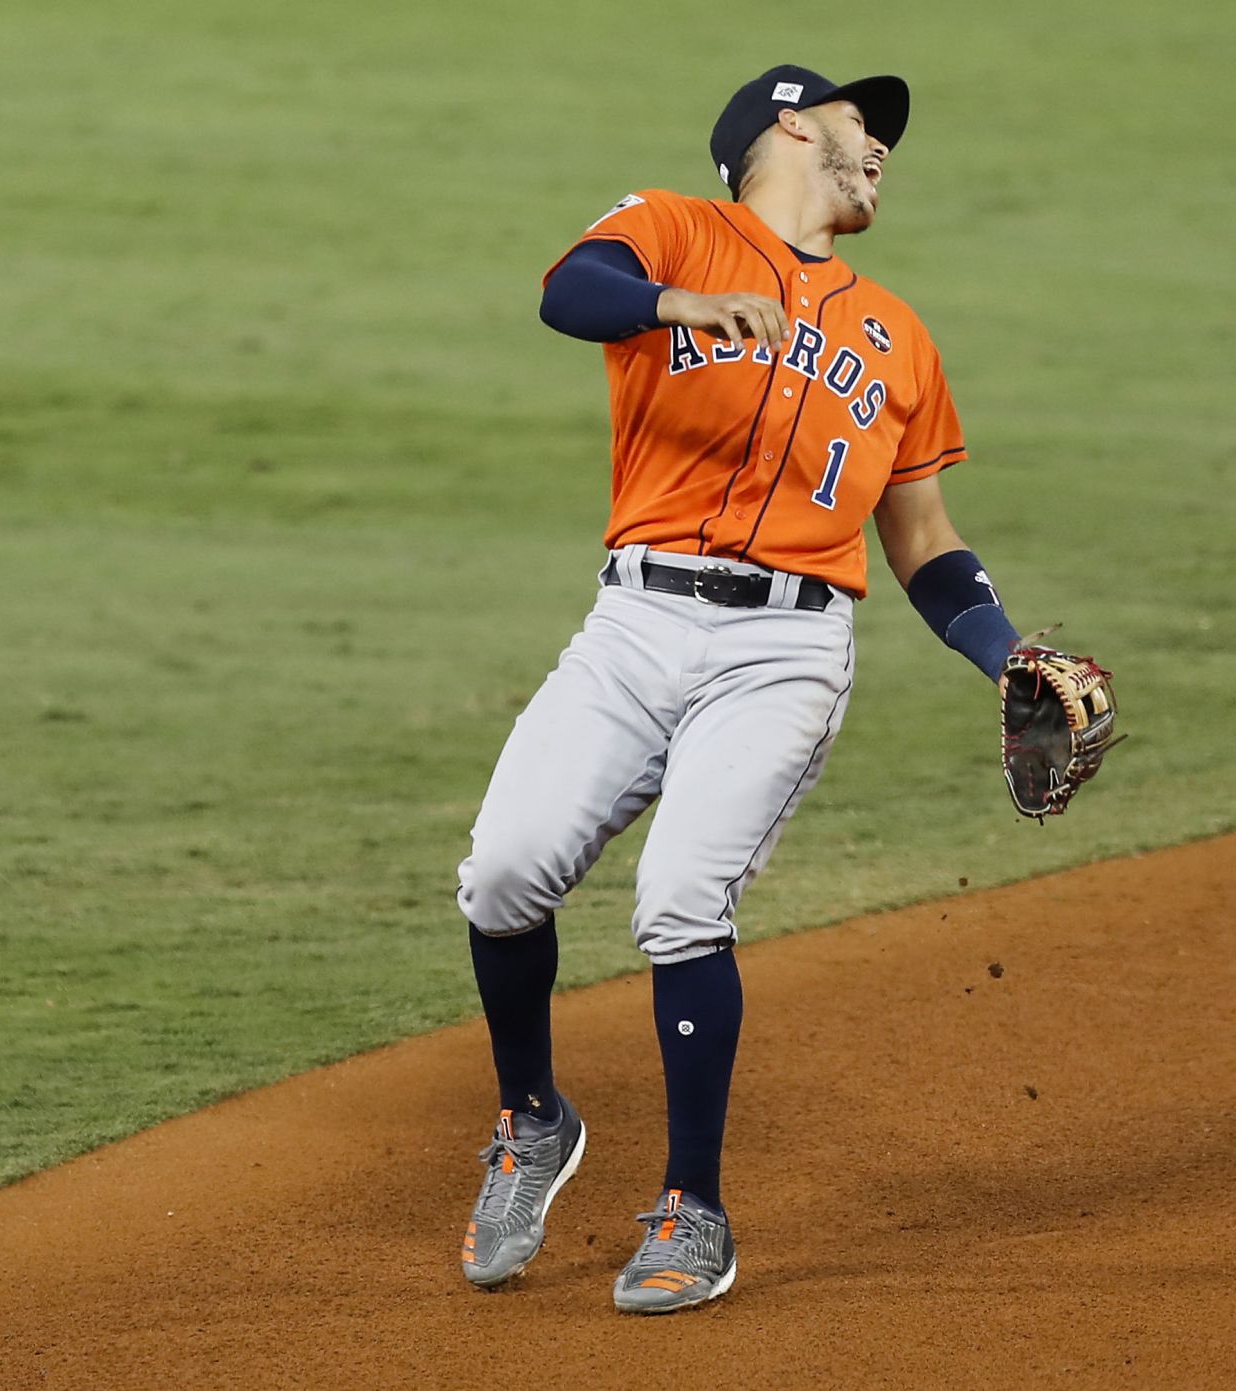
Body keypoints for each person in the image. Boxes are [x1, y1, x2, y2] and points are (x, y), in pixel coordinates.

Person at [455, 65, 1025, 1313]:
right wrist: (680, 304)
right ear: (784, 123)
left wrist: (1007, 651)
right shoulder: (670, 227)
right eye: (859, 127)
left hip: (783, 650)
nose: (879, 151)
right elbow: (569, 294)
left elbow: (923, 542)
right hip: (633, 621)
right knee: (501, 871)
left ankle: (691, 1209)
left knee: (677, 895)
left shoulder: (897, 337)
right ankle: (531, 1116)